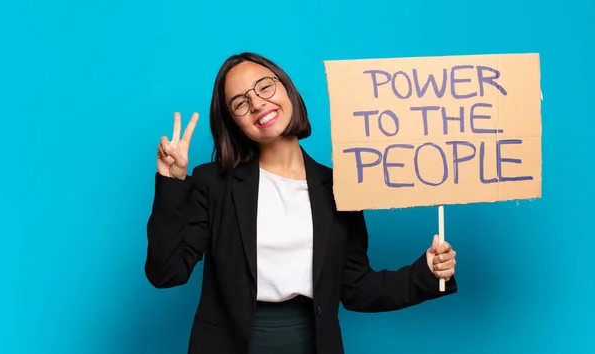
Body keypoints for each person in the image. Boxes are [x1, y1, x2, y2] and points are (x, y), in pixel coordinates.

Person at [145, 52, 458, 354]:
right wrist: (172, 183)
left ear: (286, 88)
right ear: (234, 122)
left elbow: (357, 288)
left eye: (265, 87)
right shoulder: (214, 183)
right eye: (240, 103)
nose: (256, 103)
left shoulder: (339, 189)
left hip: (311, 342)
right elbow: (167, 273)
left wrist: (427, 272)